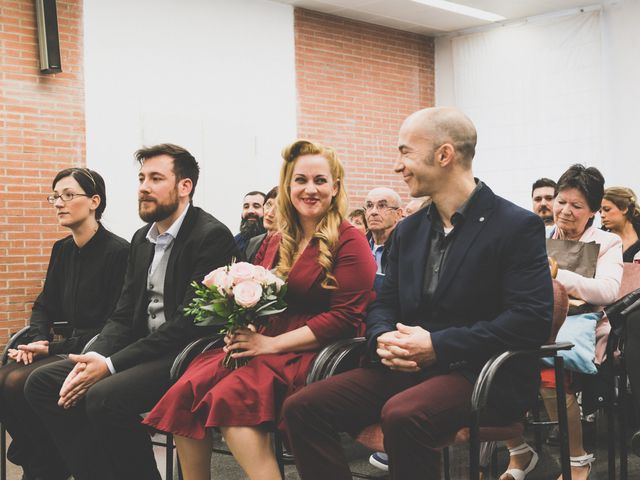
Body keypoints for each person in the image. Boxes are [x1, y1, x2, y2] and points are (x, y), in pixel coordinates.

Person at [282, 107, 553, 480]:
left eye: (406, 152)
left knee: (403, 414)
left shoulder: (516, 226)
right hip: (408, 366)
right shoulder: (409, 231)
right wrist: (384, 337)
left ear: (444, 155)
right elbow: (384, 302)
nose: (399, 166)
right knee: (302, 407)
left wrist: (438, 345)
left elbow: (529, 320)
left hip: (479, 371)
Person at [142, 139, 376, 480]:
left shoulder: (349, 239)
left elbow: (346, 318)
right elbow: (258, 294)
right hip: (266, 342)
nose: (310, 189)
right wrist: (241, 325)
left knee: (232, 405)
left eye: (320, 181)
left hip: (315, 349)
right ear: (287, 186)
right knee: (185, 391)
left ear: (335, 187)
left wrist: (270, 345)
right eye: (300, 180)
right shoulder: (277, 239)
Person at [24, 144, 239, 480]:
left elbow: (189, 324)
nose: (143, 186)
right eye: (141, 178)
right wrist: (93, 357)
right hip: (142, 347)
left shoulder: (211, 236)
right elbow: (124, 316)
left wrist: (109, 365)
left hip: (185, 353)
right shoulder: (142, 238)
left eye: (155, 178)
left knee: (104, 398)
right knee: (42, 383)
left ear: (185, 187)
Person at [0, 168, 129, 480]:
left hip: (95, 351)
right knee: (3, 377)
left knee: (19, 383)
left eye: (68, 195)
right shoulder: (62, 249)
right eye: (55, 196)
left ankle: (42, 462)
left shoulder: (120, 252)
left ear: (94, 201)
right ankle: (45, 456)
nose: (59, 203)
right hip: (62, 347)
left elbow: (115, 323)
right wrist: (39, 337)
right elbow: (45, 304)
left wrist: (53, 347)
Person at [502, 165, 623, 480]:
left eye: (577, 206)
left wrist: (556, 274)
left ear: (593, 211)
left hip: (581, 323)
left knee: (548, 368)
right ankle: (518, 451)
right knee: (487, 358)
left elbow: (608, 291)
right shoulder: (536, 236)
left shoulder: (607, 242)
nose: (565, 211)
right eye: (561, 202)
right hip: (533, 318)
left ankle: (578, 459)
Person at [364, 187, 402, 276]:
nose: (374, 212)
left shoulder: (406, 249)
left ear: (398, 214)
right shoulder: (359, 246)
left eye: (382, 206)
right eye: (369, 205)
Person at [600, 186, 640, 262]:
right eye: (600, 211)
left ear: (624, 208)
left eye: (607, 209)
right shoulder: (597, 240)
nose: (602, 215)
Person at [245, 186, 278, 263]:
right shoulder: (252, 242)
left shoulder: (290, 247)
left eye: (279, 208)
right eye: (268, 205)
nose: (269, 213)